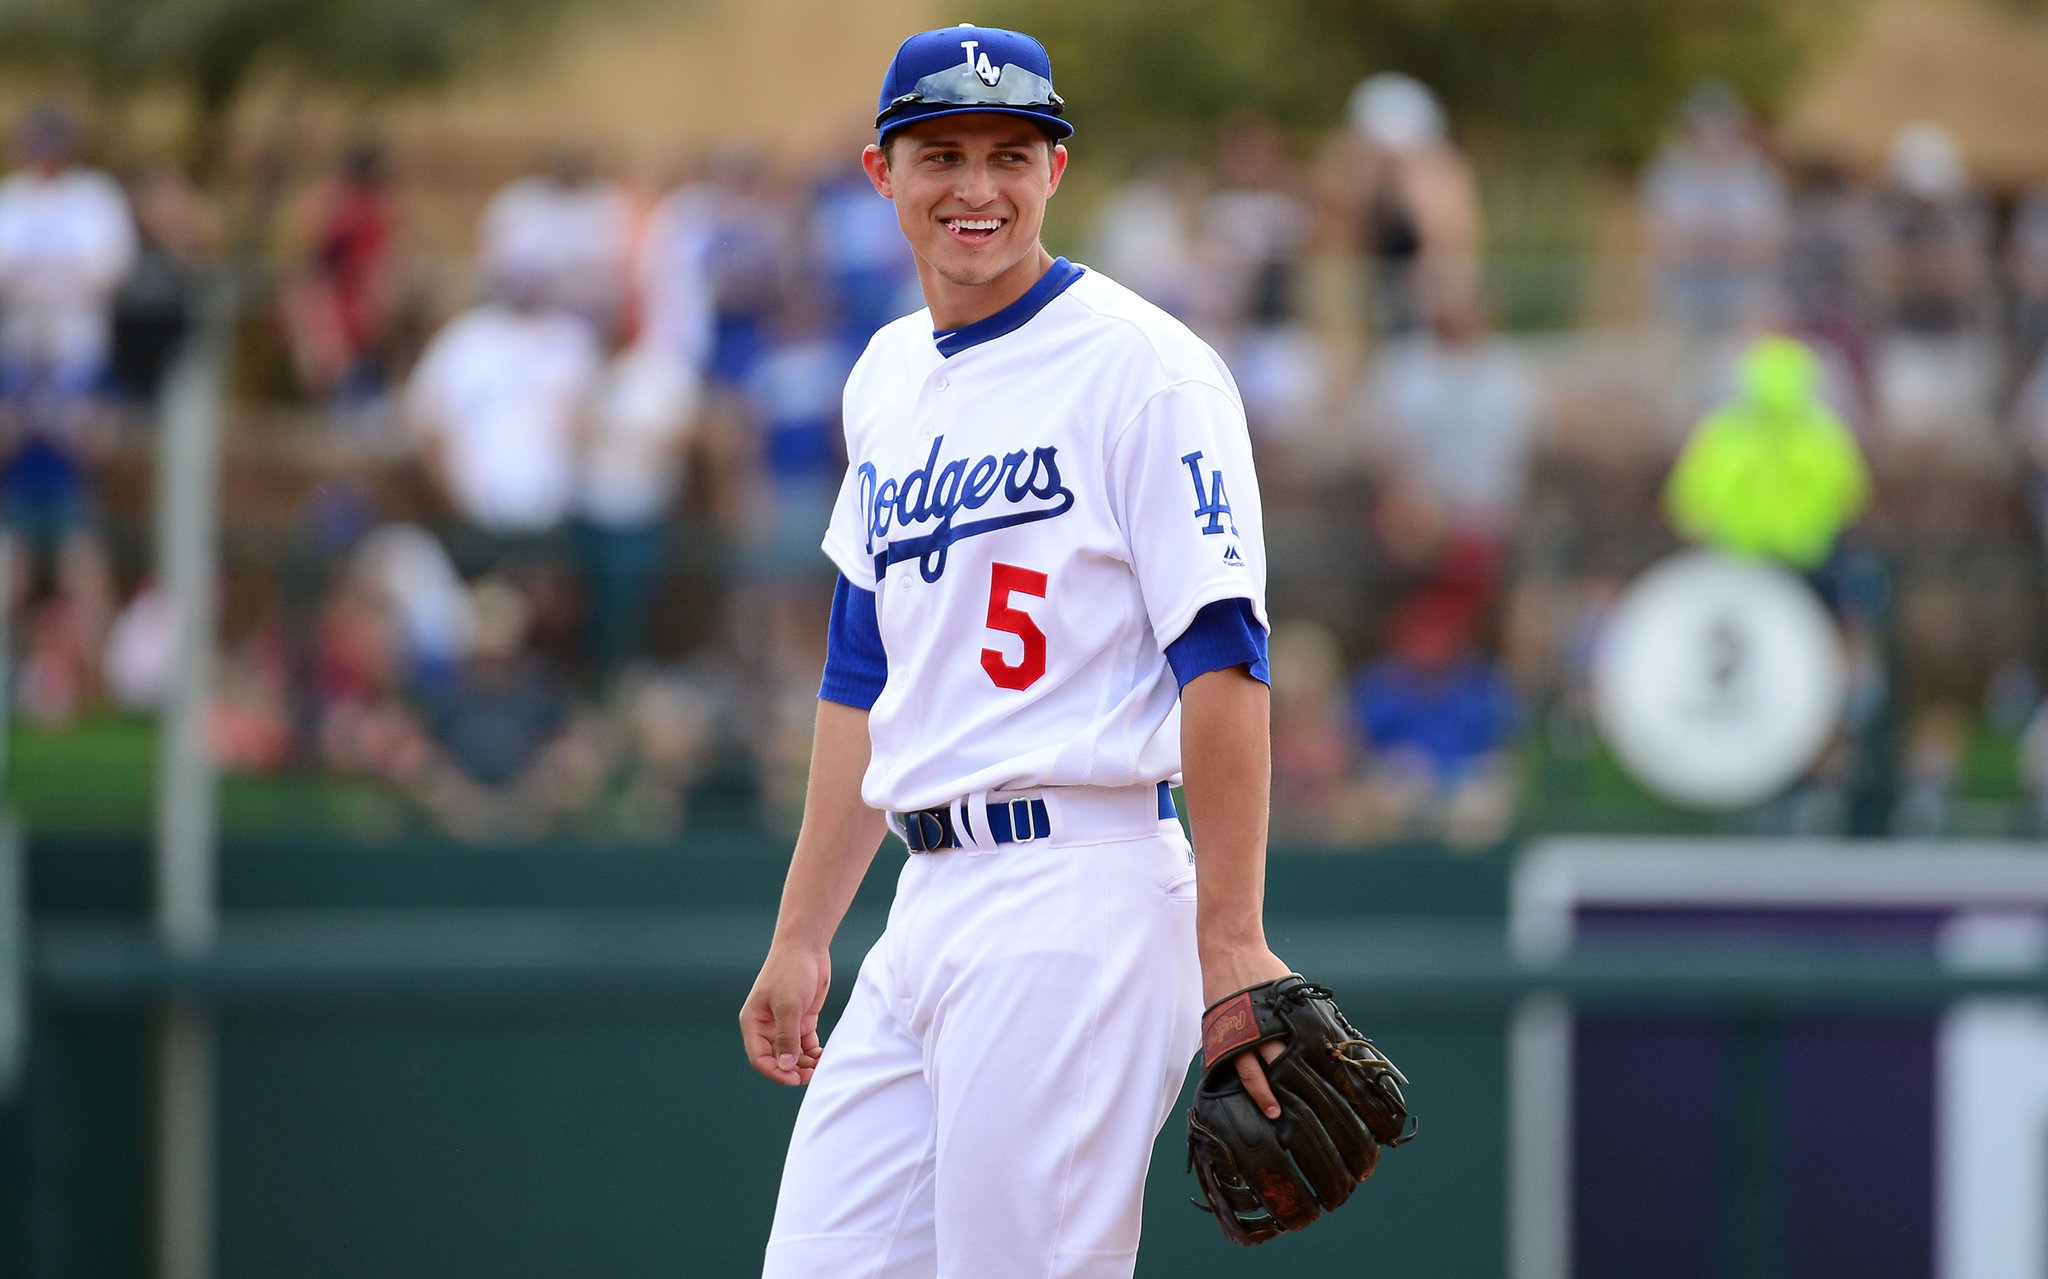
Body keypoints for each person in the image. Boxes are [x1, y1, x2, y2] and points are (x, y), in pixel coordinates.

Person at [740, 26, 1292, 1278]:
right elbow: (858, 677)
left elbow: (1223, 659)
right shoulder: (883, 374)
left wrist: (1231, 941)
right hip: (925, 900)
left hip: (1078, 889)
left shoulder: (1148, 371)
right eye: (940, 153)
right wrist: (802, 930)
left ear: (1056, 169)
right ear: (882, 173)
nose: (974, 187)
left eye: (1009, 152)